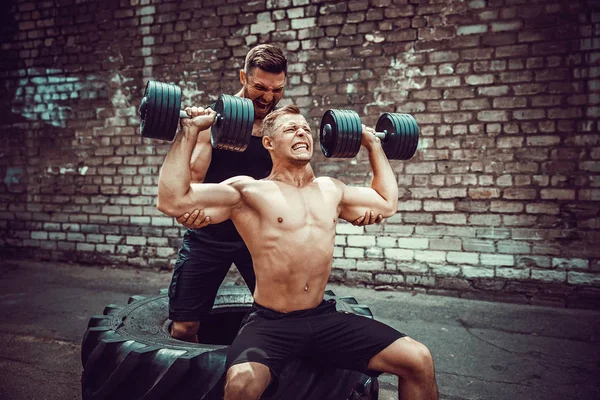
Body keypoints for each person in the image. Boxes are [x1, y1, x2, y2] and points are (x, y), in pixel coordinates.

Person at [157, 105, 439, 399]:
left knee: (418, 359)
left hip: (322, 317)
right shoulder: (248, 192)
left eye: (305, 128)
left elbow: (386, 202)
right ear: (268, 143)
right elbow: (173, 200)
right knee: (242, 383)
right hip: (271, 324)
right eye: (291, 129)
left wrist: (374, 145)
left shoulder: (332, 190)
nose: (302, 133)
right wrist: (189, 131)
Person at [168, 44, 382, 343]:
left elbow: (302, 184)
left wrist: (349, 213)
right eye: (260, 87)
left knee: (288, 317)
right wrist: (186, 211)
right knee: (184, 326)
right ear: (244, 76)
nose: (268, 97)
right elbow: (191, 181)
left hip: (264, 238)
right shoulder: (213, 123)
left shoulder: (282, 126)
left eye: (277, 89)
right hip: (210, 235)